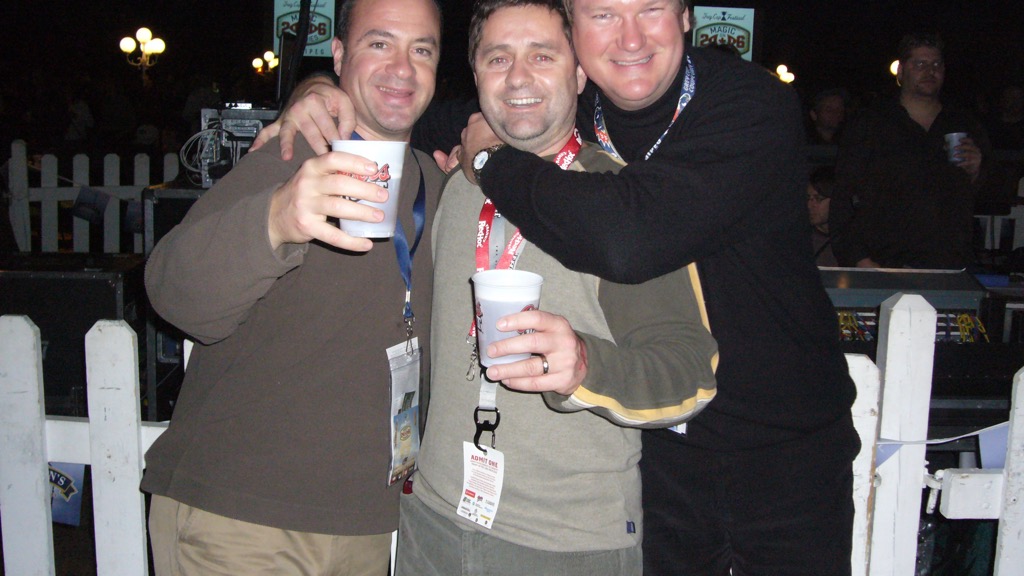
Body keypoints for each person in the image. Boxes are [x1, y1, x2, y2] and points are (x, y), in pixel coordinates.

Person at [259, 0, 860, 573]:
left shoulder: (748, 103)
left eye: (650, 10)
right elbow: (420, 105)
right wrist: (322, 91)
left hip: (782, 442)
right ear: (578, 38)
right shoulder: (570, 98)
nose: (629, 38)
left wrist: (492, 161)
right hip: (660, 460)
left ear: (686, 18)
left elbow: (631, 237)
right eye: (603, 14)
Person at [396, 2, 717, 574]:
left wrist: (586, 366)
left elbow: (692, 372)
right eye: (498, 58)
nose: (518, 78)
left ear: (579, 74)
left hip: (565, 544)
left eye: (542, 57)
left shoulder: (620, 202)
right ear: (476, 75)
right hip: (432, 521)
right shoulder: (458, 187)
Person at [140, 0, 445, 574]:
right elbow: (172, 293)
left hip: (363, 526)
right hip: (240, 522)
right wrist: (278, 219)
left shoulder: (438, 183)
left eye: (421, 49)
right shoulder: (290, 153)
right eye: (379, 43)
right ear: (340, 56)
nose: (402, 68)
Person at [832, 33, 991, 269]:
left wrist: (977, 170)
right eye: (920, 64)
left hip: (947, 262)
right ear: (901, 71)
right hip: (885, 260)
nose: (930, 71)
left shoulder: (963, 123)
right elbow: (844, 194)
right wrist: (858, 258)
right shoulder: (872, 123)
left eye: (936, 64)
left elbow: (989, 196)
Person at [809, 165, 839, 266]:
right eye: (808, 198)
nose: (810, 205)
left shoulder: (853, 241)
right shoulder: (800, 239)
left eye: (818, 199)